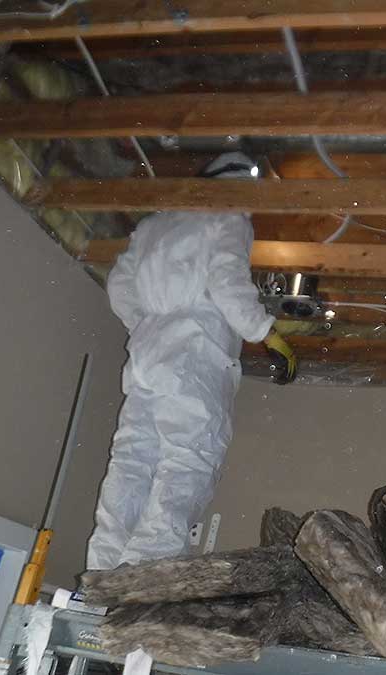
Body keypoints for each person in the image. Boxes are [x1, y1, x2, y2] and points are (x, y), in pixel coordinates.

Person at [86, 153, 296, 571]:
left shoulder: (155, 225)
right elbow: (226, 282)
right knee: (188, 456)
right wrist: (266, 333)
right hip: (195, 353)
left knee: (131, 458)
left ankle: (103, 568)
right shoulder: (228, 216)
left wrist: (152, 325)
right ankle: (147, 570)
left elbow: (119, 287)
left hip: (148, 351)